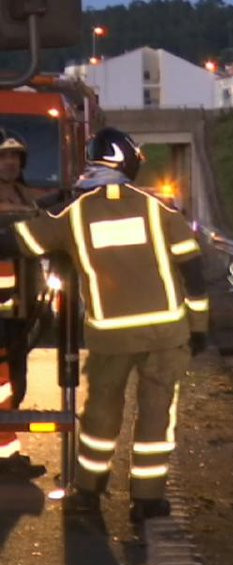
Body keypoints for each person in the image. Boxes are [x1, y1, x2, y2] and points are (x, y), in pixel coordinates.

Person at [10, 127, 209, 521]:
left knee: (100, 416)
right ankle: (148, 500)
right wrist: (199, 326)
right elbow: (195, 272)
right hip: (166, 334)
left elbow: (20, 242)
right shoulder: (158, 211)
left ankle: (88, 494)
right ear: (128, 160)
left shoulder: (74, 215)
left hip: (110, 337)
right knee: (156, 415)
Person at [0, 130, 47, 479]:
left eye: (15, 157)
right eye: (4, 157)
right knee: (4, 382)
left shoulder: (21, 193)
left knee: (15, 378)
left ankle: (9, 452)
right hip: (4, 307)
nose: (11, 163)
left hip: (22, 304)